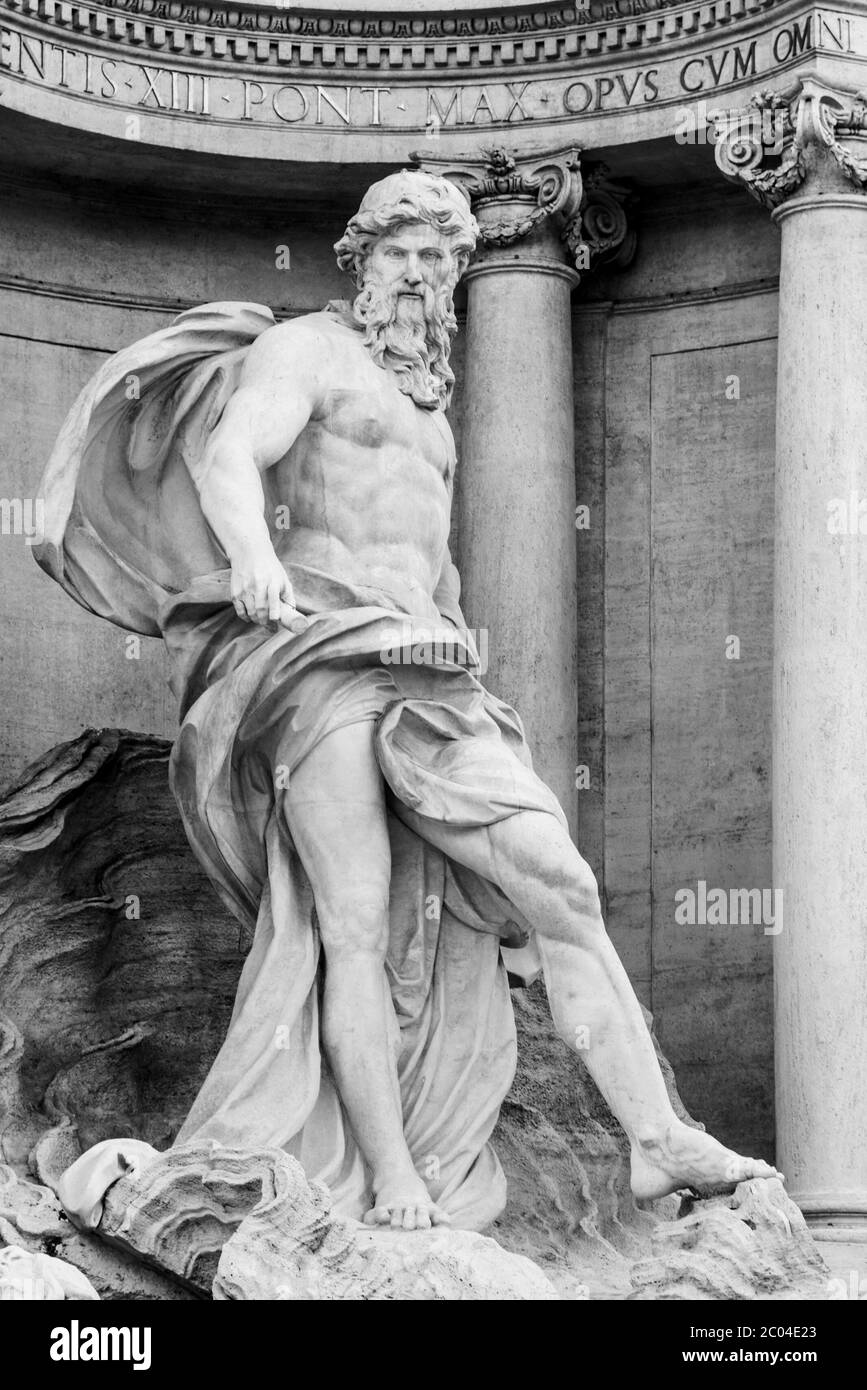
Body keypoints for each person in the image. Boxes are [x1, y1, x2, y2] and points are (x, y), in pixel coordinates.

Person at [36, 170, 779, 1234]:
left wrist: (460, 651)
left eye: (442, 257)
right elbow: (231, 452)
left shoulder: (433, 402)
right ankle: (392, 1176)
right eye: (402, 254)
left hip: (431, 679)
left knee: (561, 884)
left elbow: (433, 569)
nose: (423, 275)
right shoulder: (307, 350)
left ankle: (657, 1136)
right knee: (356, 929)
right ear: (361, 258)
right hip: (320, 661)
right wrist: (253, 558)